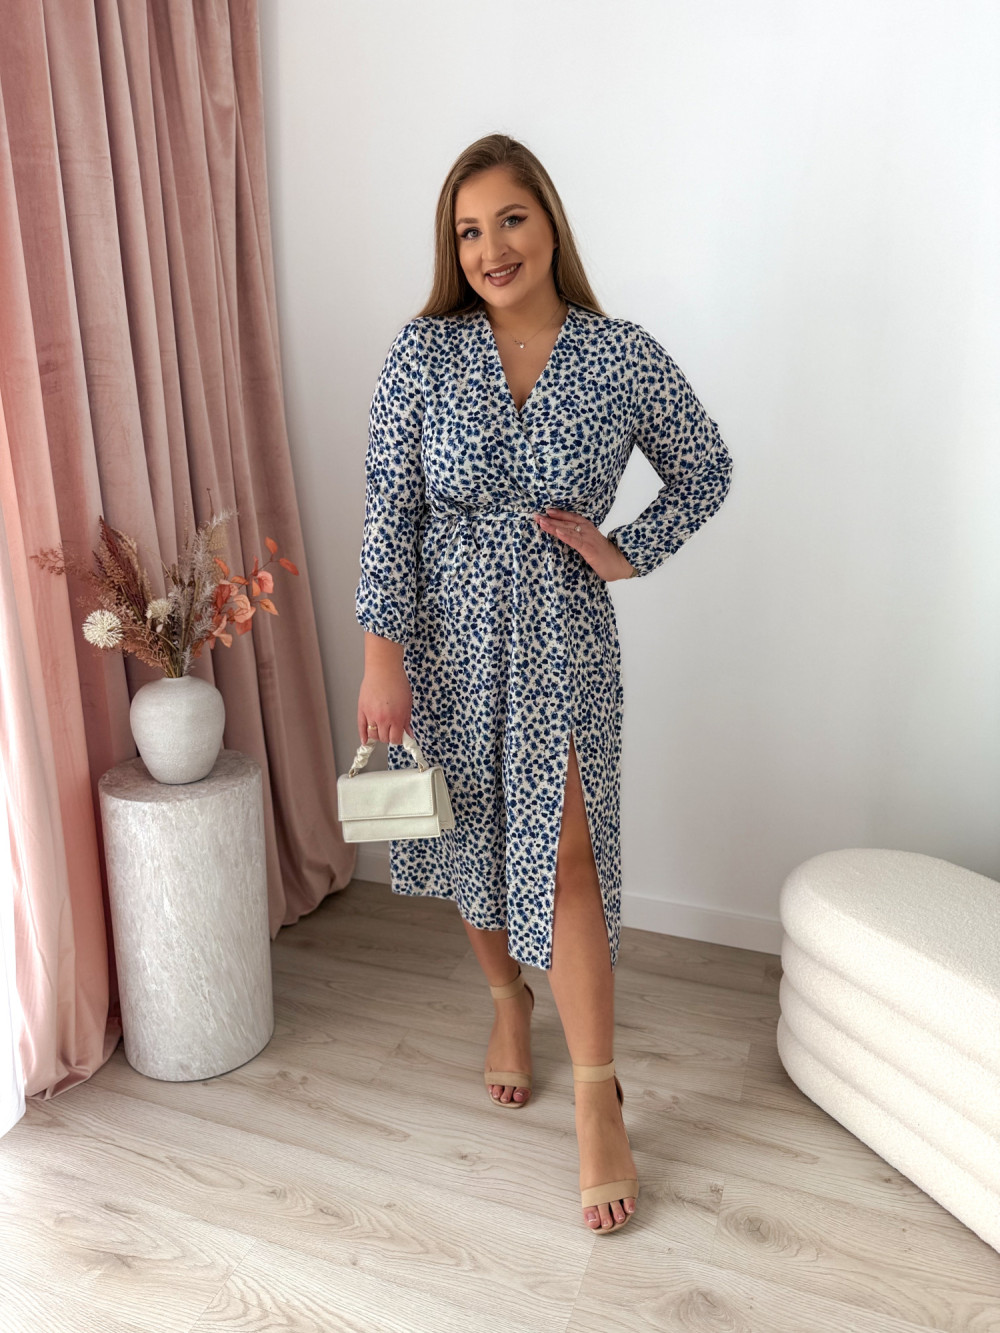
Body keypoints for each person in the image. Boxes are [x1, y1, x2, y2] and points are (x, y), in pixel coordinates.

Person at [355, 133, 732, 1234]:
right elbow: (388, 506)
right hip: (444, 634)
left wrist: (625, 550)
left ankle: (599, 1096)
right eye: (469, 230)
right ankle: (505, 1001)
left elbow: (704, 467)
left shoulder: (620, 356)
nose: (491, 248)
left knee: (569, 852)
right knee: (464, 837)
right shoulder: (424, 353)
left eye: (509, 219)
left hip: (564, 637)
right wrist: (381, 654)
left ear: (550, 220)